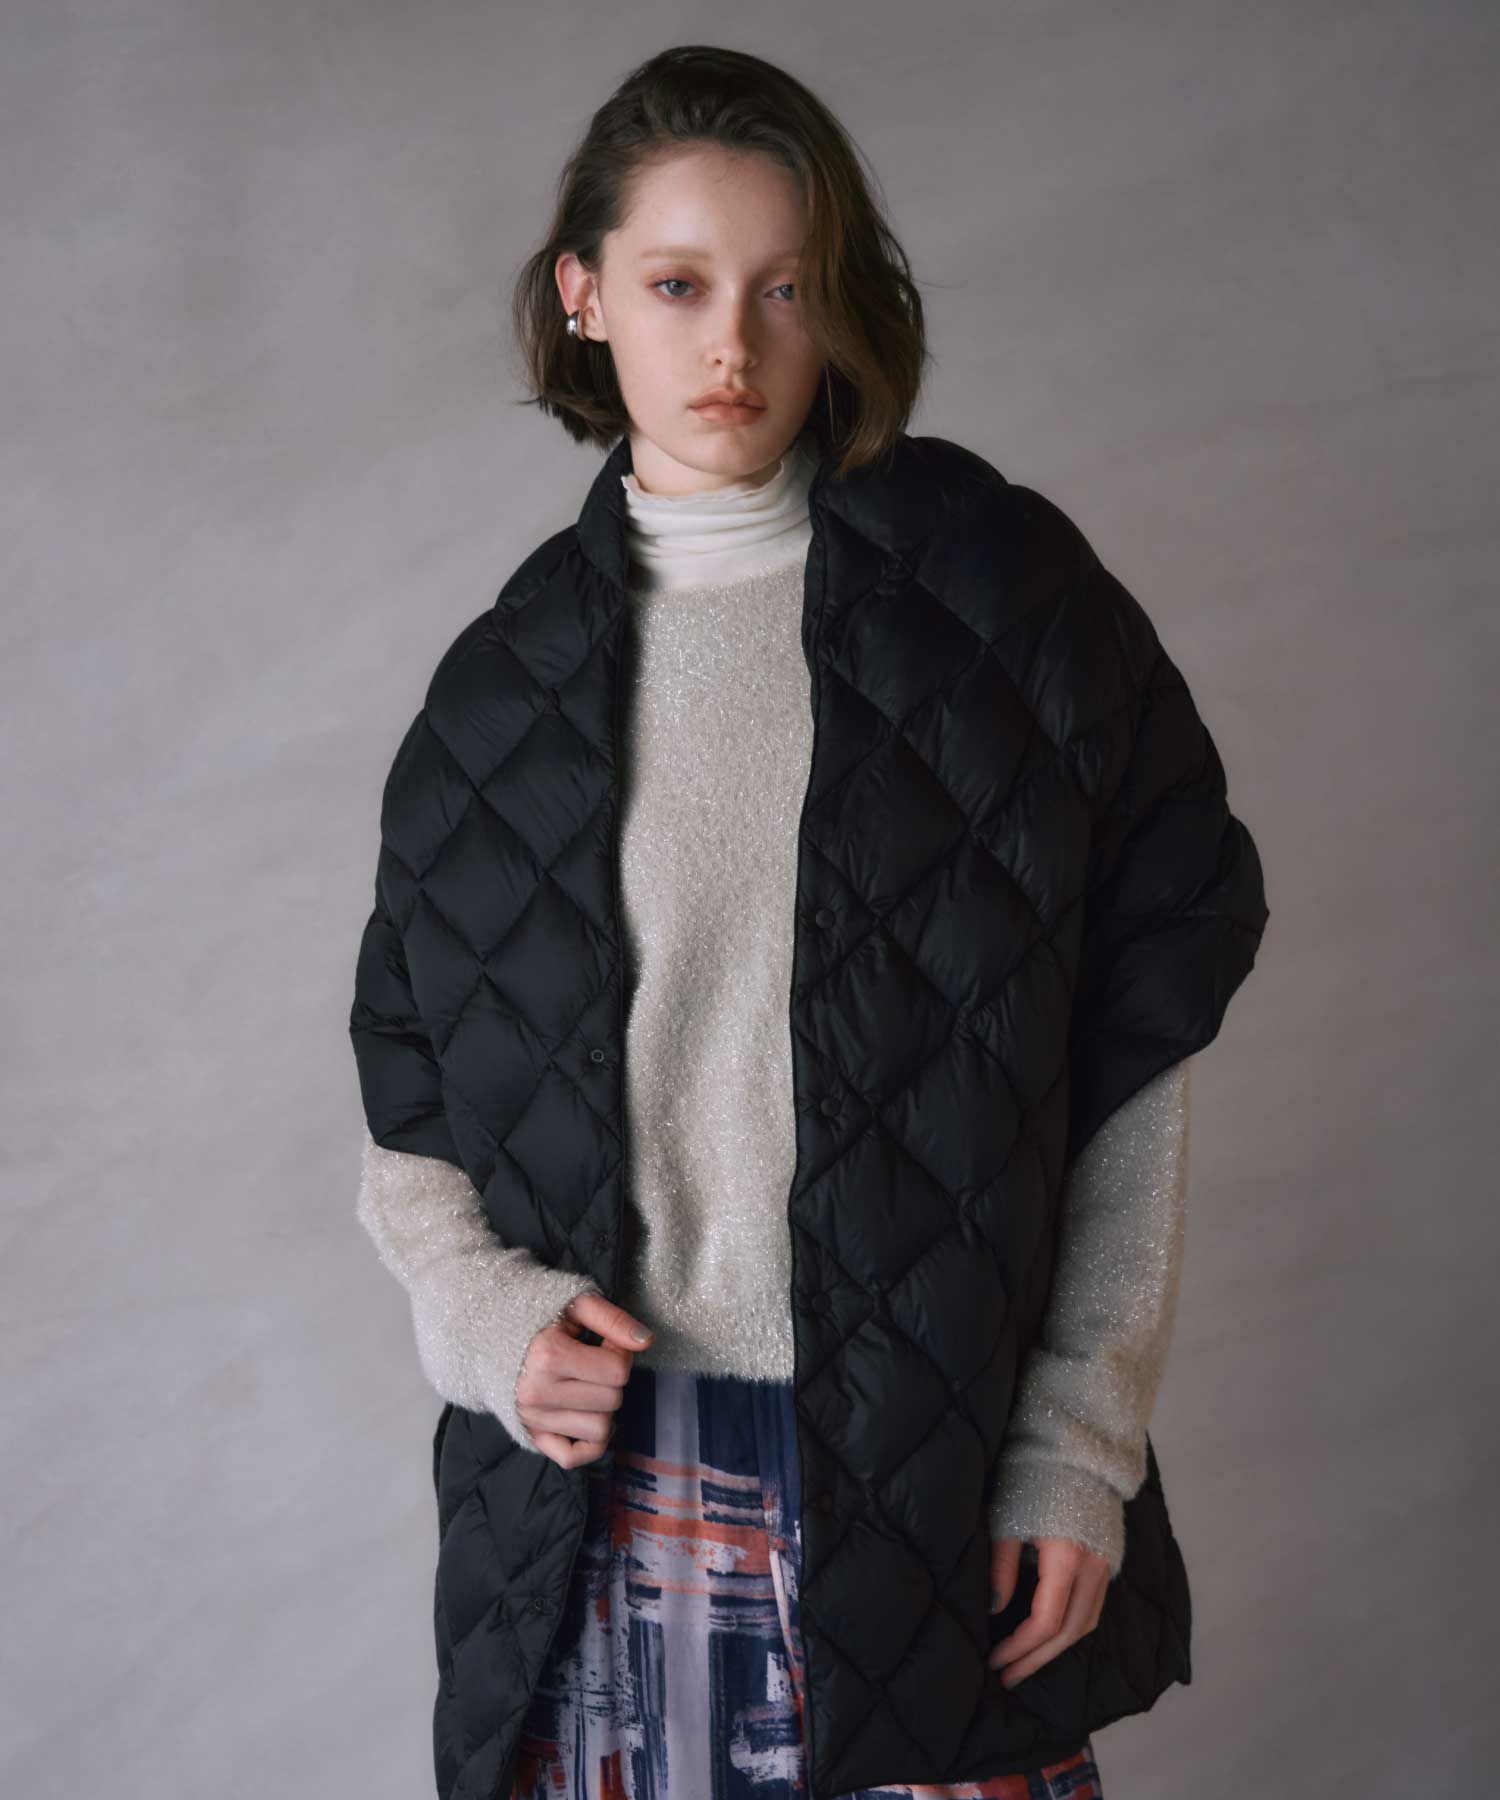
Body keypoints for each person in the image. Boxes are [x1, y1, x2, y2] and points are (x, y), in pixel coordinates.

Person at [348, 44, 1268, 1800]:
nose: (735, 346)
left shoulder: (1004, 611)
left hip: (928, 1468)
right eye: (678, 285)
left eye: (786, 287)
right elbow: (409, 1110)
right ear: (584, 294)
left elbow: (1131, 1052)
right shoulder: (493, 702)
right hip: (605, 1507)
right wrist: (489, 1328)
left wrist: (1078, 1443)